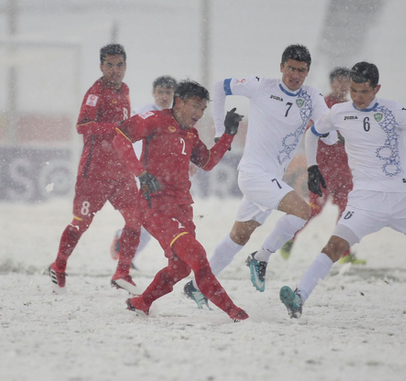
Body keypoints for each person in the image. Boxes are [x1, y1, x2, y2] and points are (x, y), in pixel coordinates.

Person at [279, 61, 406, 319]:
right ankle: (299, 296)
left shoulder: (395, 110)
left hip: (404, 199)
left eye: (364, 91)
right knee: (333, 247)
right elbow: (312, 134)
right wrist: (313, 167)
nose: (358, 97)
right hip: (365, 200)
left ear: (376, 88)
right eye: (354, 91)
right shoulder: (339, 112)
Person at [183, 44, 329, 307]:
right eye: (291, 68)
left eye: (302, 70)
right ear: (282, 66)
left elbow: (325, 130)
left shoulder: (312, 97)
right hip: (253, 174)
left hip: (272, 179)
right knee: (301, 212)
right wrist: (219, 132)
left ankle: (196, 286)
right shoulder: (262, 86)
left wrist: (325, 139)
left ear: (308, 72)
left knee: (237, 237)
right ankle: (261, 257)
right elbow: (220, 86)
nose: (295, 75)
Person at [113, 79, 248, 321]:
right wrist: (140, 173)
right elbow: (120, 137)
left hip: (183, 208)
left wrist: (228, 134)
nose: (198, 114)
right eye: (195, 106)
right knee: (198, 257)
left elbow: (207, 163)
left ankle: (142, 302)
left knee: (180, 268)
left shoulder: (190, 133)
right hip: (155, 206)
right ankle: (235, 312)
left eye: (203, 109)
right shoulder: (154, 119)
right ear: (180, 101)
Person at [48, 44, 141, 295]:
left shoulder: (126, 90)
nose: (115, 70)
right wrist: (115, 127)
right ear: (101, 66)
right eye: (109, 65)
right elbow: (82, 126)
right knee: (81, 224)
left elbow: (123, 129)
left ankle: (122, 272)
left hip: (121, 173)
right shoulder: (95, 92)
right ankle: (59, 265)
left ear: (125, 66)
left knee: (136, 219)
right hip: (95, 173)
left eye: (119, 65)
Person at [280, 67, 365, 265]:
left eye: (346, 81)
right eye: (339, 81)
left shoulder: (350, 108)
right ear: (332, 83)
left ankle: (344, 253)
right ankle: (288, 237)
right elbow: (312, 133)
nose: (342, 85)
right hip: (324, 169)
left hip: (344, 170)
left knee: (347, 211)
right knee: (314, 209)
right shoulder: (323, 106)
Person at [109, 76, 178, 265]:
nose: (164, 96)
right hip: (143, 174)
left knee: (150, 221)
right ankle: (125, 254)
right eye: (161, 92)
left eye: (168, 92)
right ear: (154, 93)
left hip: (164, 175)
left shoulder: (177, 117)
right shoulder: (142, 113)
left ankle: (126, 252)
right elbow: (123, 136)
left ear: (174, 95)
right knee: (149, 221)